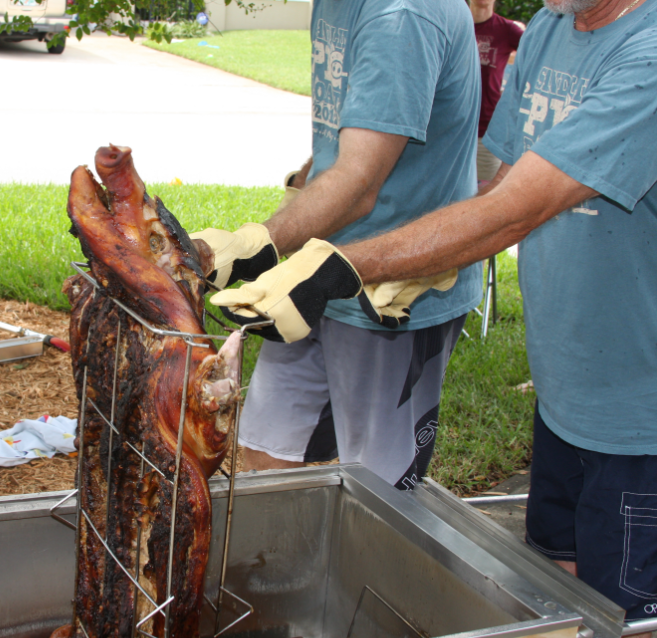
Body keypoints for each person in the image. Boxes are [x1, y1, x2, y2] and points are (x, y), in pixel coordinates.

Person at [212, 0, 657, 626]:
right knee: (562, 590)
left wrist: (344, 267)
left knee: (625, 616)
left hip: (639, 415)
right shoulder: (553, 27)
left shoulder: (647, 57)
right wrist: (427, 260)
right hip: (565, 392)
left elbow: (519, 211)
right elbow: (501, 189)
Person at [192, 0, 483, 490]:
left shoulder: (402, 16)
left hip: (392, 292)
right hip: (310, 274)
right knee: (265, 452)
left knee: (379, 487)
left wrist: (259, 241)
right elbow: (347, 138)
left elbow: (360, 180)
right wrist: (302, 192)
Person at [470, 0, 524, 183]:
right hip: (449, 129)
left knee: (487, 191)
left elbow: (540, 55)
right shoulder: (453, 24)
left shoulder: (507, 29)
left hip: (486, 131)